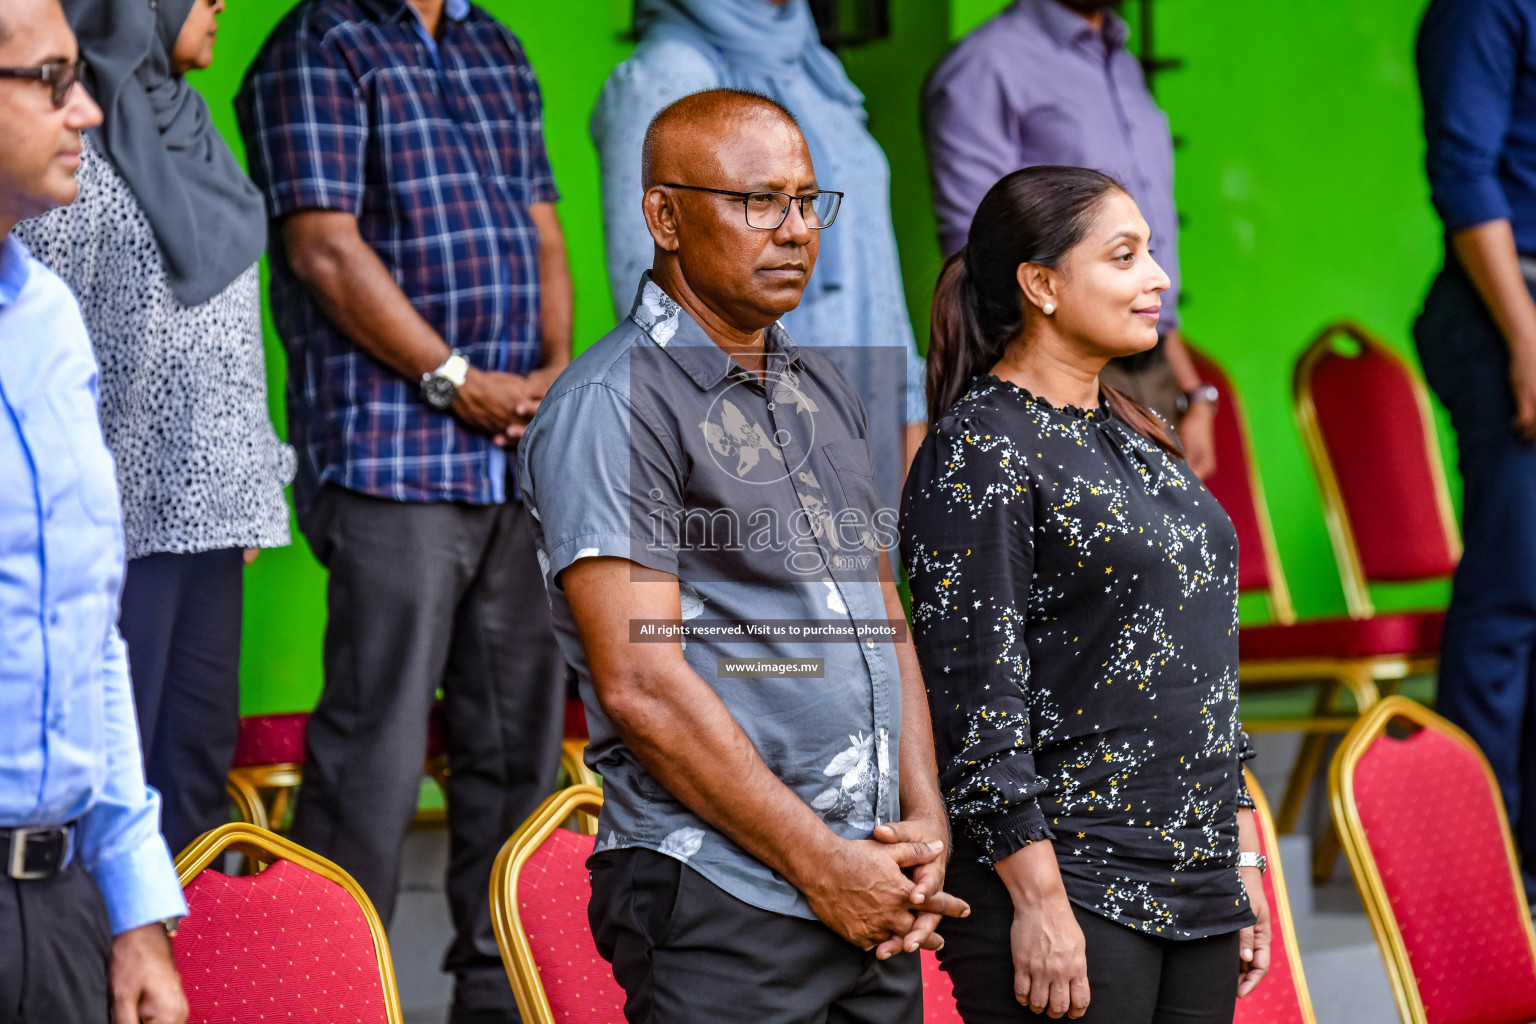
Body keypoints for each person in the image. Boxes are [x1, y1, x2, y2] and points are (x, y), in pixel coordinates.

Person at [519, 88, 968, 1024]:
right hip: (726, 889)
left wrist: (925, 816)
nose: (796, 230)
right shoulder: (614, 404)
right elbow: (642, 683)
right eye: (759, 202)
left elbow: (884, 617)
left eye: (807, 201)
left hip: (873, 880)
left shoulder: (823, 387)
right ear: (665, 216)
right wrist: (821, 864)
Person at [237, 0, 573, 1019]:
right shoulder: (318, 43)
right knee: (374, 752)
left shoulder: (493, 41)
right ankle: (332, 994)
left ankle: (495, 996)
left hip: (513, 451)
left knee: (516, 743)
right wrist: (456, 378)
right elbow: (325, 251)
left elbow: (543, 229)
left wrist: (553, 372)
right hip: (391, 450)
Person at [902, 166, 1268, 1022]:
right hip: (1073, 877)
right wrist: (1036, 898)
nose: (1158, 279)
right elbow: (971, 701)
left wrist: (1240, 854)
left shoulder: (1135, 434)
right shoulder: (980, 449)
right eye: (1125, 256)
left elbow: (1201, 672)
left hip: (1197, 870)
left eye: (1154, 253)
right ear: (1042, 285)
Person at [15, 0, 294, 858]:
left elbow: (231, 338)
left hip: (214, 517)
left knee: (196, 767)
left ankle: (183, 975)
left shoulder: (194, 130)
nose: (218, 5)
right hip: (118, 525)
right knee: (117, 768)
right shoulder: (72, 151)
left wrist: (250, 479)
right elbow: (45, 351)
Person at [0, 0, 188, 1021]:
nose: (85, 112)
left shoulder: (50, 323)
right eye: (49, 80)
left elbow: (88, 636)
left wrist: (130, 910)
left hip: (61, 905)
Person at [591, 0, 927, 516]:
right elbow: (663, 309)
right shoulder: (668, 76)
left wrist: (907, 412)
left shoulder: (816, 69)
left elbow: (875, 262)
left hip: (863, 414)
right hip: (761, 452)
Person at [922, 0, 1217, 478]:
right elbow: (980, 259)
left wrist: (1191, 390)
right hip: (1064, 387)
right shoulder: (986, 68)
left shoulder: (1120, 63)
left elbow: (1139, 261)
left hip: (1154, 377)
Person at [1415, 0, 1536, 891]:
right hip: (1507, 313)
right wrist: (1527, 341)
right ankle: (1475, 872)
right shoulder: (1482, 9)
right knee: (1515, 588)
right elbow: (1465, 172)